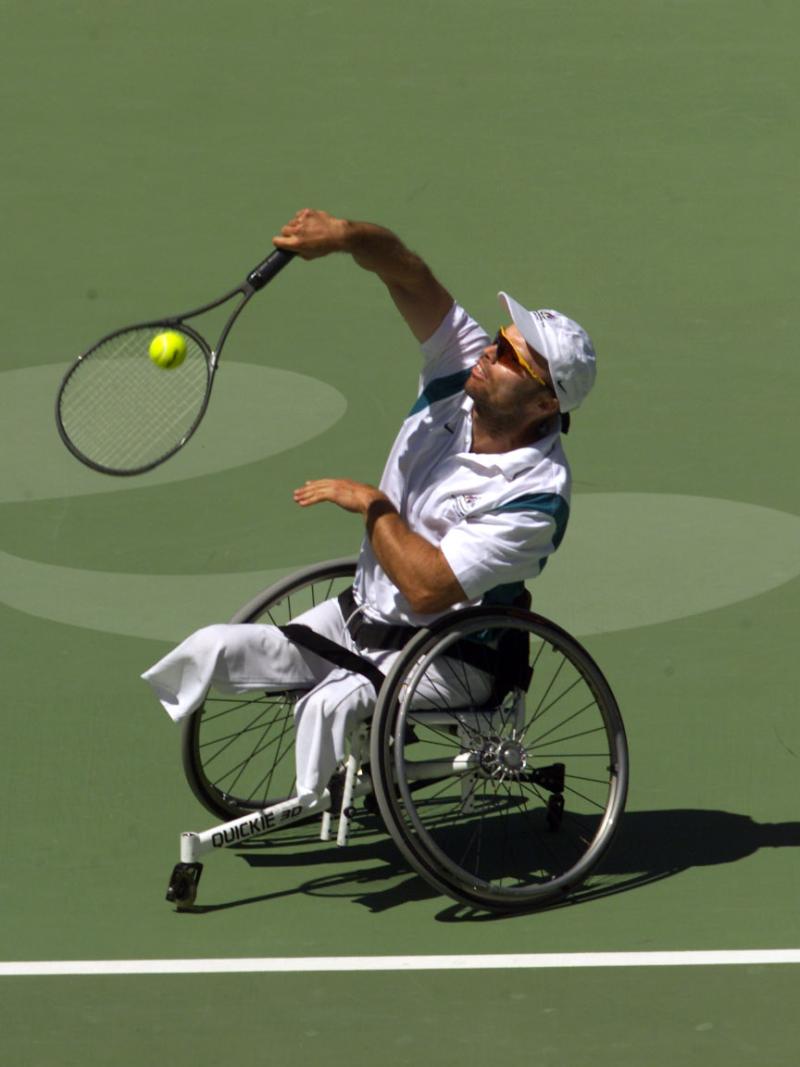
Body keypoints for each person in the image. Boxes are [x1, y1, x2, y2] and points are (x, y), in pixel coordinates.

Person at [141, 208, 597, 805]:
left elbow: (431, 588)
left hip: (451, 655)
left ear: (543, 403)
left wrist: (374, 505)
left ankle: (306, 800)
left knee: (330, 703)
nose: (491, 352)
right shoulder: (460, 372)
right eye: (500, 340)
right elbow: (410, 277)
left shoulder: (534, 500)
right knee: (212, 649)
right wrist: (346, 238)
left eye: (514, 358)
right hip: (359, 615)